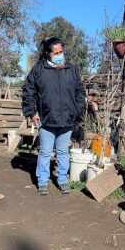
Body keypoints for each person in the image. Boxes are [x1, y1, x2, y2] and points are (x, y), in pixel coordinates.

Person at [22, 37, 86, 195]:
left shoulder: (71, 69)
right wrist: (32, 113)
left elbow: (79, 92)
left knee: (63, 152)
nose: (60, 54)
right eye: (56, 52)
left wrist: (78, 111)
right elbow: (28, 92)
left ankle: (62, 180)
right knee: (45, 152)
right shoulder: (39, 70)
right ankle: (42, 181)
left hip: (67, 120)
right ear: (48, 54)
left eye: (61, 51)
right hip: (46, 119)